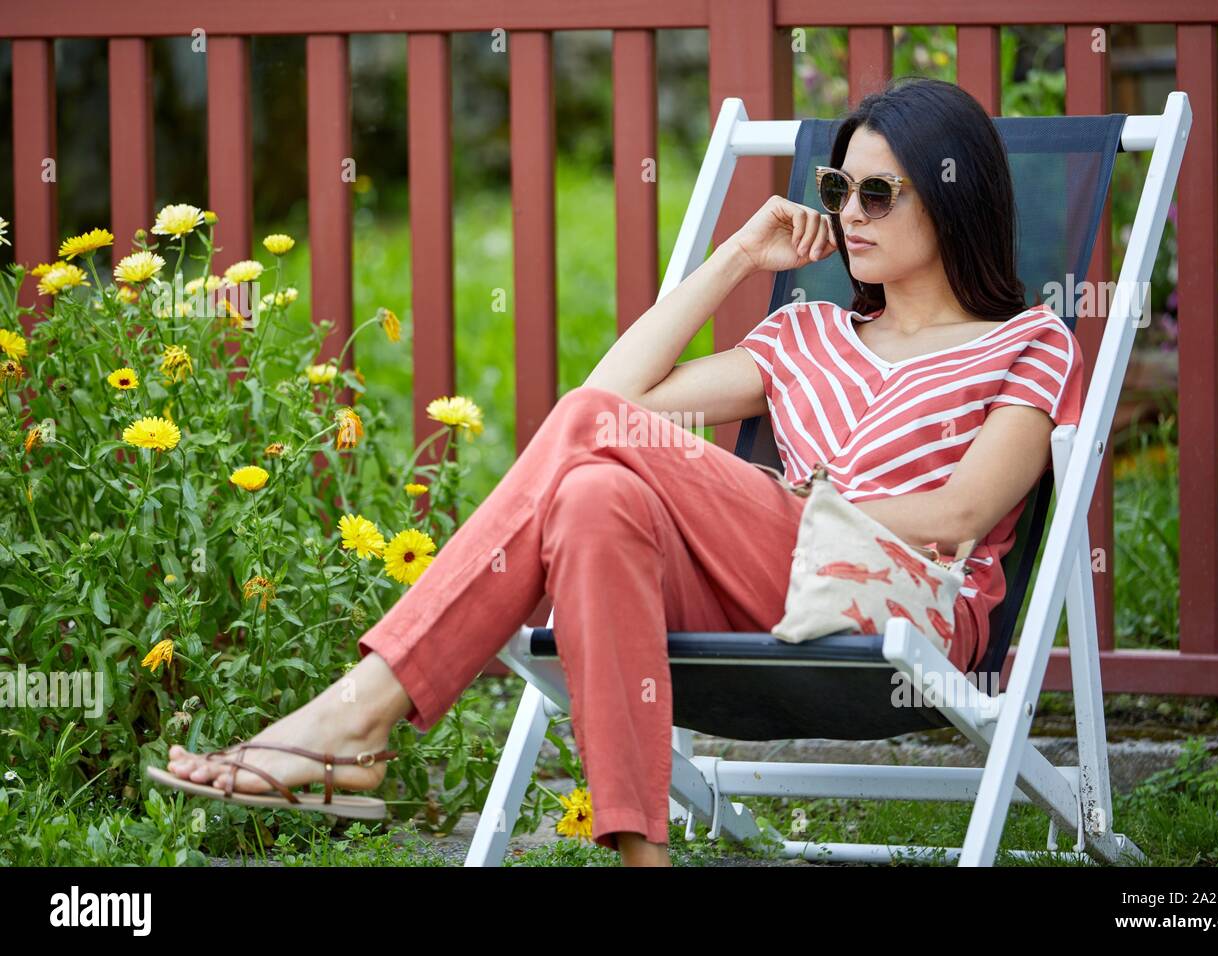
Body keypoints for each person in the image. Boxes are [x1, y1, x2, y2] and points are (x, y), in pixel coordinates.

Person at [160, 76, 1083, 867]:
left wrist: (817, 507)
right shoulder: (804, 335)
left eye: (878, 195)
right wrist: (736, 258)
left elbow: (965, 510)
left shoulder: (1028, 341)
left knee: (599, 448)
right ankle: (643, 857)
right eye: (840, 188)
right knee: (598, 494)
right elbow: (604, 403)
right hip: (773, 586)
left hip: (904, 601)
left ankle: (361, 712)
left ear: (953, 201)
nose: (848, 215)